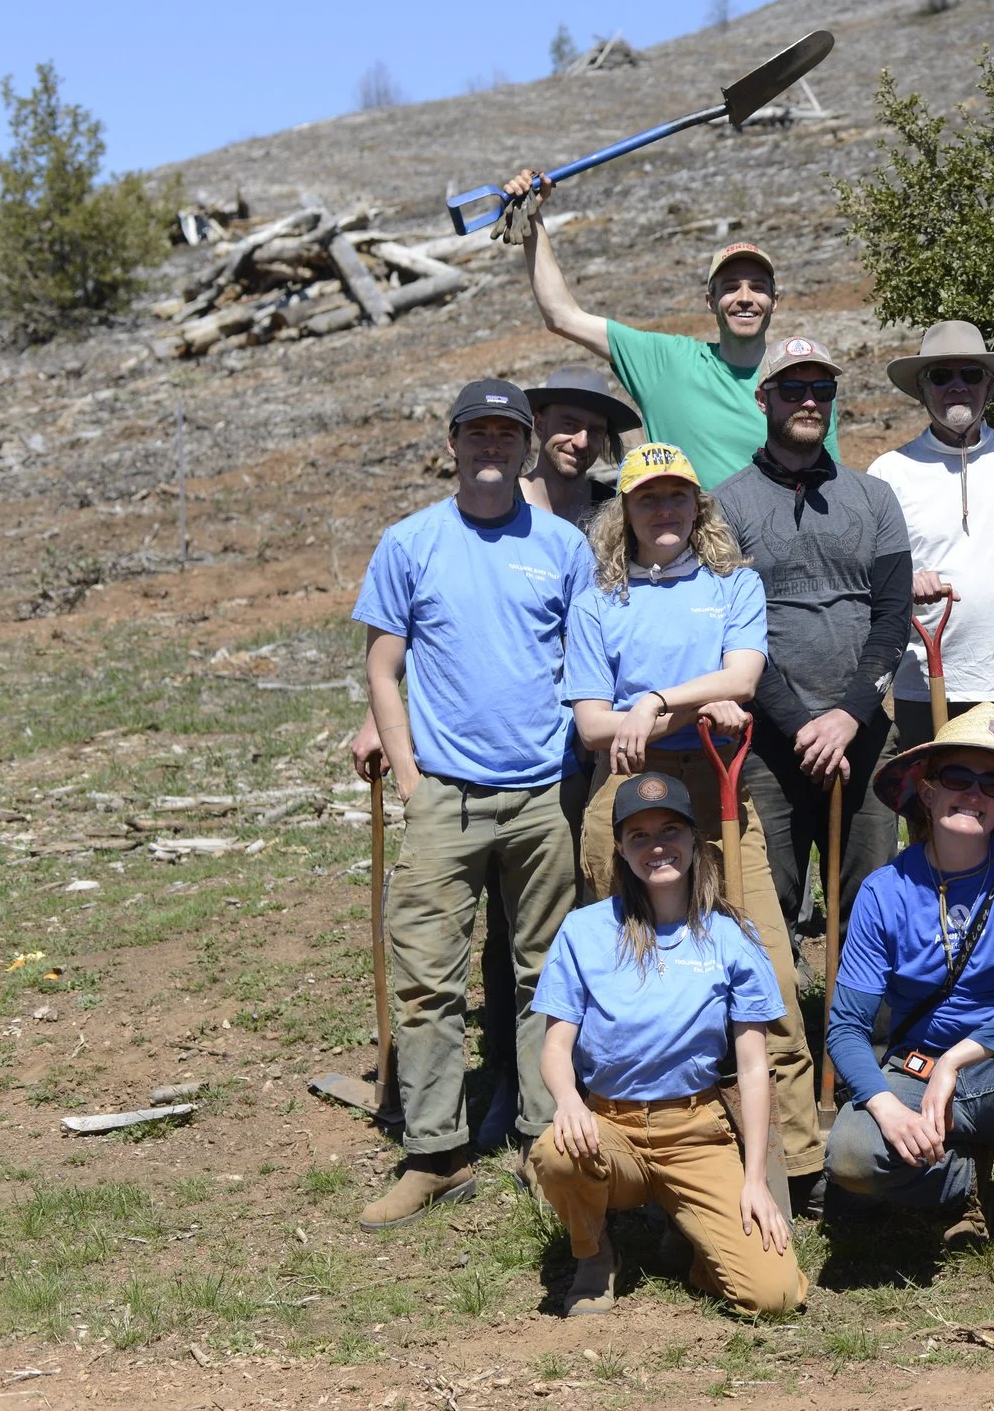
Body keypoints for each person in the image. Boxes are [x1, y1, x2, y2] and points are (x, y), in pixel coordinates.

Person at [350, 380, 594, 1228]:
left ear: (527, 448)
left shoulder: (565, 546)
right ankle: (436, 1153)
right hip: (444, 798)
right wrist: (413, 778)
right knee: (426, 979)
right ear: (451, 444)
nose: (491, 446)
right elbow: (384, 667)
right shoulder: (409, 542)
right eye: (476, 433)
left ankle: (539, 1140)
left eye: (506, 434)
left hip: (543, 798)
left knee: (545, 980)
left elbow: (588, 662)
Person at [562, 440, 825, 1196]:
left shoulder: (732, 586)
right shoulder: (598, 604)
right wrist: (673, 707)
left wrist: (649, 702)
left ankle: (798, 1162)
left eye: (678, 497)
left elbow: (742, 679)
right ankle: (629, 1151)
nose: (664, 510)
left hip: (717, 786)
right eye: (648, 499)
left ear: (698, 508)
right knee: (630, 970)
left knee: (767, 970)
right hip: (627, 792)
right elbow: (589, 727)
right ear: (627, 514)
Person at [823, 705, 994, 1317]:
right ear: (925, 791)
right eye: (957, 777)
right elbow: (845, 1027)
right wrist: (883, 1104)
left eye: (992, 784)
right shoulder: (883, 891)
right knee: (849, 1153)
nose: (973, 794)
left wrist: (960, 1056)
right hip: (917, 1072)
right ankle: (954, 1182)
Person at [529, 772, 806, 1317]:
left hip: (696, 1130)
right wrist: (568, 1103)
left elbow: (753, 1069)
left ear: (694, 840)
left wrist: (754, 1180)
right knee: (555, 1155)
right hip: (610, 1126)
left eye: (670, 830)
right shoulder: (584, 931)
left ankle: (695, 1238)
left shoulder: (732, 937)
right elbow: (555, 1048)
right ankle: (595, 1254)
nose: (656, 846)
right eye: (638, 835)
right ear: (622, 850)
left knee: (774, 1296)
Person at [712, 338, 912, 955]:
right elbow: (727, 629)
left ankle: (866, 1042)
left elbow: (893, 616)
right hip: (769, 739)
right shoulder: (724, 505)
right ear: (763, 397)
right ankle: (781, 1049)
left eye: (821, 389)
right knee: (768, 904)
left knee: (873, 903)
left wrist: (849, 715)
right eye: (793, 389)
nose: (809, 401)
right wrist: (803, 726)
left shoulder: (874, 498)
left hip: (865, 731)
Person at [849, 321, 994, 896]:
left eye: (970, 374)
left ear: (990, 384)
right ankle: (934, 948)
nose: (956, 385)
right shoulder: (890, 471)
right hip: (925, 685)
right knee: (933, 829)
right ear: (922, 388)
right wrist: (906, 583)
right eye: (941, 375)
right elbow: (871, 575)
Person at [500, 167, 835, 481]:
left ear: (775, 301)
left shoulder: (802, 384)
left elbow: (829, 479)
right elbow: (562, 316)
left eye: (758, 288)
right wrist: (534, 220)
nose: (745, 298)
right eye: (730, 287)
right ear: (710, 301)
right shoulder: (665, 361)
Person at [521, 365, 636, 524]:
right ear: (540, 425)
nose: (581, 442)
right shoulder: (500, 502)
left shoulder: (613, 514)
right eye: (570, 425)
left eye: (596, 431)